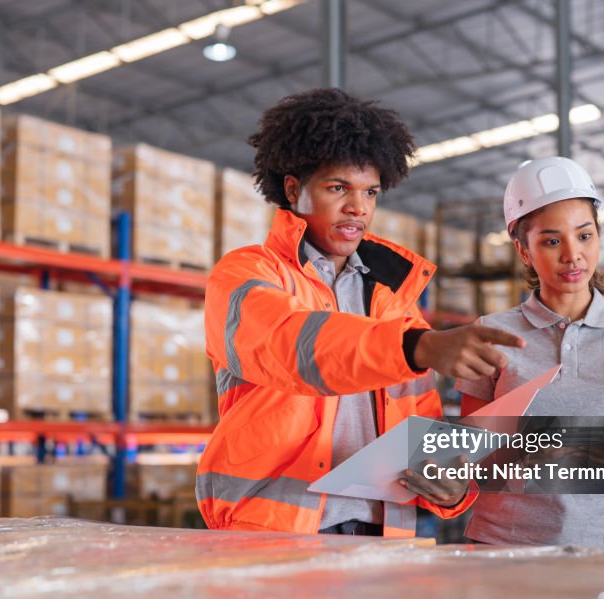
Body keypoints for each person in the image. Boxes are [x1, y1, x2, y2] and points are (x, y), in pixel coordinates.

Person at [198, 88, 524, 537]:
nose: (359, 207)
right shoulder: (247, 274)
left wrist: (455, 488)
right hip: (274, 530)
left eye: (370, 191)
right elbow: (293, 344)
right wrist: (418, 346)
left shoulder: (394, 300)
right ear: (294, 190)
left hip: (382, 532)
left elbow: (420, 419)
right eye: (338, 188)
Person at [457, 156, 604, 546]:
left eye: (584, 235)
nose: (572, 254)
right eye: (551, 240)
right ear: (523, 250)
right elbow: (467, 455)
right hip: (505, 546)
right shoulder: (490, 333)